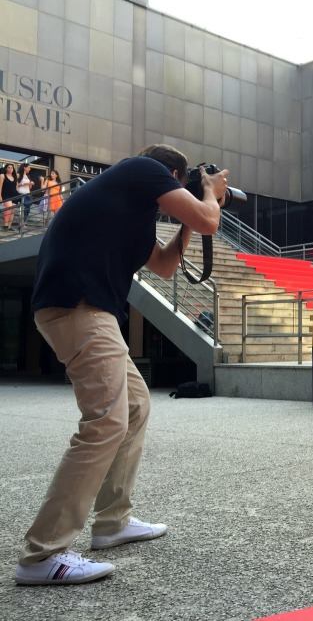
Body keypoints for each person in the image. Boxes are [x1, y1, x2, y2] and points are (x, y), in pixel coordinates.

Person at [14, 144, 229, 586]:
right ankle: (43, 554)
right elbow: (208, 218)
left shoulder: (131, 209)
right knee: (106, 421)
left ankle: (112, 522)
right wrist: (209, 193)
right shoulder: (141, 169)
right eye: (178, 182)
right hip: (80, 306)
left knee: (134, 407)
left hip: (89, 311)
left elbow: (166, 267)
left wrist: (188, 223)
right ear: (170, 173)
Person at [1, 163, 16, 230]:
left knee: (13, 211)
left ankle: (9, 226)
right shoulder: (2, 176)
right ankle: (5, 225)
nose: (10, 169)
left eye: (12, 168)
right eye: (9, 167)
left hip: (14, 195)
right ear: (6, 168)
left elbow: (16, 187)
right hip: (6, 195)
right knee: (8, 208)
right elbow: (0, 187)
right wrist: (0, 196)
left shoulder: (14, 177)